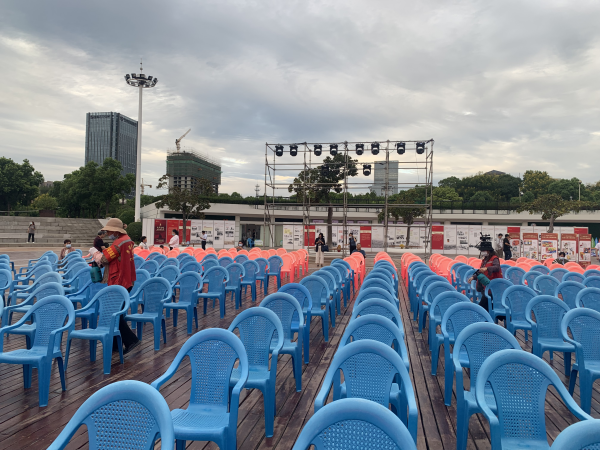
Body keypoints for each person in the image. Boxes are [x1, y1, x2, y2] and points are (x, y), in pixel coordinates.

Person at [99, 218, 140, 354]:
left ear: (116, 231)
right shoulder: (127, 240)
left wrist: (96, 253)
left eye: (109, 231)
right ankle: (116, 344)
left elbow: (105, 259)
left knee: (114, 314)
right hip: (127, 280)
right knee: (117, 313)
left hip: (119, 281)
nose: (107, 233)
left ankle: (131, 340)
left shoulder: (118, 243)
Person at [467, 238, 503, 313]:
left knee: (482, 308)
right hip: (486, 287)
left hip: (493, 287)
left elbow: (497, 267)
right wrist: (473, 277)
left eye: (483, 250)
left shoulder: (494, 258)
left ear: (488, 250)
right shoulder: (485, 260)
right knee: (487, 307)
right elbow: (481, 271)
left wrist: (487, 268)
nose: (482, 252)